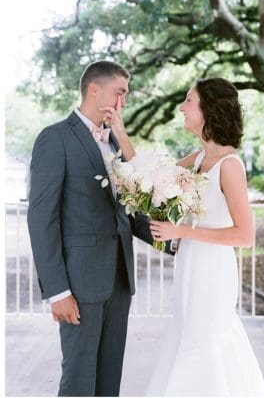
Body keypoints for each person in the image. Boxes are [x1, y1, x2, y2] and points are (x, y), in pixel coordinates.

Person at [27, 60, 169, 396]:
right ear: (94, 89)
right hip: (79, 285)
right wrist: (57, 291)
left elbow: (127, 210)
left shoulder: (116, 142)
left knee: (109, 380)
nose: (124, 102)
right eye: (119, 93)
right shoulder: (54, 138)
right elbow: (41, 218)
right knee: (78, 379)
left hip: (120, 281)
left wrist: (171, 239)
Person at [142, 78, 264, 396]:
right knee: (188, 335)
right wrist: (116, 129)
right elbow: (149, 177)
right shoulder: (198, 159)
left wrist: (180, 230)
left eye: (188, 100)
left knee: (205, 340)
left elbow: (245, 235)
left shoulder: (229, 165)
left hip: (213, 269)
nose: (181, 107)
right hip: (190, 263)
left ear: (207, 110)